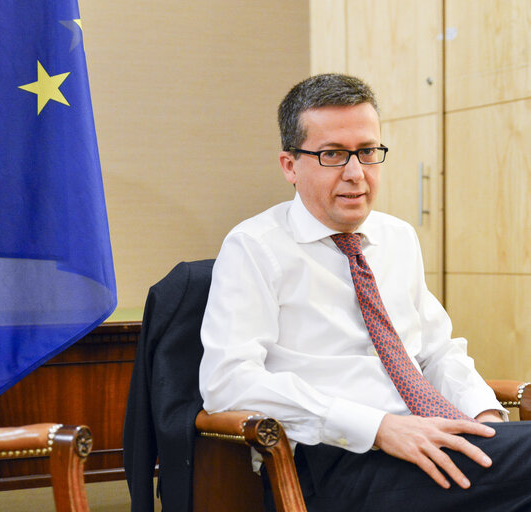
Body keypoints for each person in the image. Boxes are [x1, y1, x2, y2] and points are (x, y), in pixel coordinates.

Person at [199, 73, 531, 511]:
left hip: (429, 439)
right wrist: (377, 427)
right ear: (290, 166)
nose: (356, 174)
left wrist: (485, 419)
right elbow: (227, 382)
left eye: (368, 152)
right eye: (333, 154)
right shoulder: (254, 247)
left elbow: (436, 352)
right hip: (336, 462)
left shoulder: (397, 237)